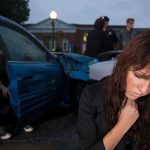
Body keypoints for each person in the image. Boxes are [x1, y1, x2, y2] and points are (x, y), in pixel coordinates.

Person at [78, 31, 150, 150]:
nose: (144, 90)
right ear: (124, 66)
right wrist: (122, 126)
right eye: (139, 76)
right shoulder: (91, 96)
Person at [0, 47, 34, 141]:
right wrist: (1, 85)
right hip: (3, 85)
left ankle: (23, 120)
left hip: (9, 83)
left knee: (20, 95)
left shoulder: (9, 57)